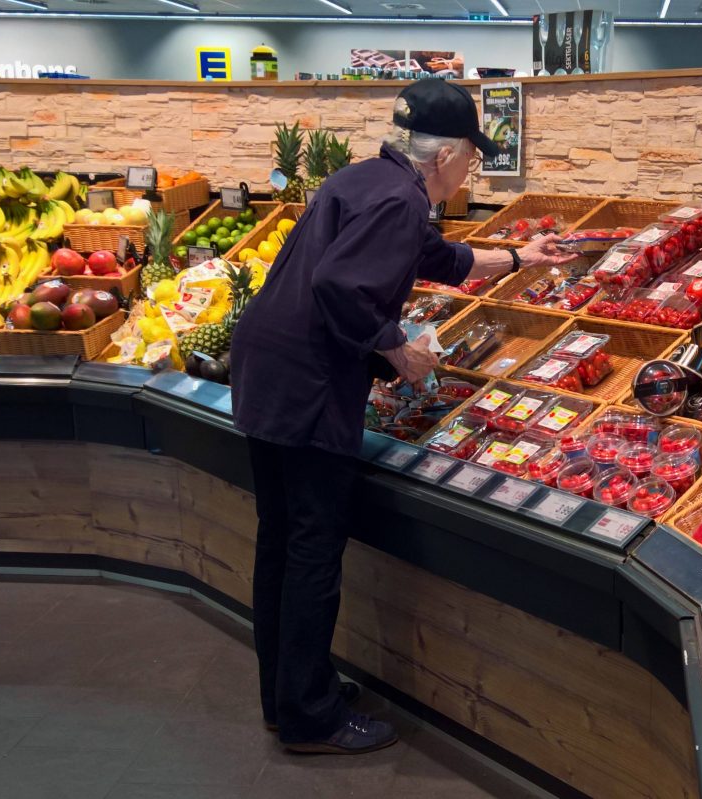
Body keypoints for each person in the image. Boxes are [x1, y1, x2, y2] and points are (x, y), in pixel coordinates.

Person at [229, 79, 576, 755]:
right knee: (312, 551)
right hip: (309, 384)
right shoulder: (399, 199)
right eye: (470, 159)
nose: (470, 171)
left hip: (266, 368)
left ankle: (289, 692)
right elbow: (341, 286)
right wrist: (398, 349)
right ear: (443, 156)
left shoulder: (368, 181)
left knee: (279, 541)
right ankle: (311, 717)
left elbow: (432, 255)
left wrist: (515, 258)